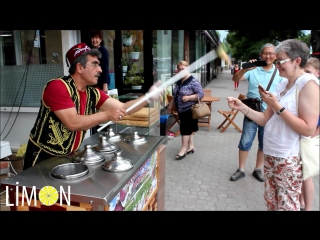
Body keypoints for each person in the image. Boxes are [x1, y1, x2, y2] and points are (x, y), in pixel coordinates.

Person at [23, 42, 163, 170]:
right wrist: (107, 115)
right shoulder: (58, 87)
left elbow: (124, 108)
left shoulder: (92, 93)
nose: (100, 70)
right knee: (38, 197)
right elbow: (72, 122)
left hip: (67, 155)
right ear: (79, 67)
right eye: (95, 64)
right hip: (42, 158)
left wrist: (148, 97)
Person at [227, 39, 320, 211]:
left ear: (297, 61)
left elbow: (308, 128)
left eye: (280, 61)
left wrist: (277, 106)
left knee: (286, 205)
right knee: (272, 203)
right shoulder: (283, 84)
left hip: (289, 158)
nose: (276, 65)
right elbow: (264, 119)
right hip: (271, 154)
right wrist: (241, 107)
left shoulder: (309, 85)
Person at [230, 43, 284, 182]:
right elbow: (235, 79)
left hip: (270, 114)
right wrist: (245, 68)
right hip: (252, 110)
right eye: (265, 53)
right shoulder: (253, 70)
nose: (268, 56)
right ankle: (241, 169)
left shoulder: (279, 72)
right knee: (245, 141)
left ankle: (257, 169)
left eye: (271, 53)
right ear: (260, 55)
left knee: (264, 143)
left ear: (275, 56)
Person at [167, 60, 204, 160]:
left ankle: (183, 149)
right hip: (180, 110)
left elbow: (201, 94)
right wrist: (170, 105)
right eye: (179, 69)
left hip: (189, 109)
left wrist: (189, 98)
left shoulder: (193, 81)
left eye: (183, 69)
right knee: (188, 129)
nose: (180, 71)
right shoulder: (179, 81)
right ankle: (191, 146)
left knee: (185, 129)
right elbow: (175, 95)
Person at [299, 57, 320, 211]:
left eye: (308, 72)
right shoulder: (304, 87)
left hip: (309, 138)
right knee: (301, 175)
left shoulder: (315, 90)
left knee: (306, 176)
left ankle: (308, 208)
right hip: (303, 136)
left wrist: (313, 135)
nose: (305, 74)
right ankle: (300, 203)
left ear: (317, 73)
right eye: (303, 71)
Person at [89, 30, 111, 135]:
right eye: (93, 38)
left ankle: (104, 132)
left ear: (100, 39)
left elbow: (106, 69)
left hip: (101, 84)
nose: (94, 40)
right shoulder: (88, 51)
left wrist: (105, 85)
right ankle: (95, 131)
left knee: (103, 107)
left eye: (97, 38)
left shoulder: (103, 51)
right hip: (92, 84)